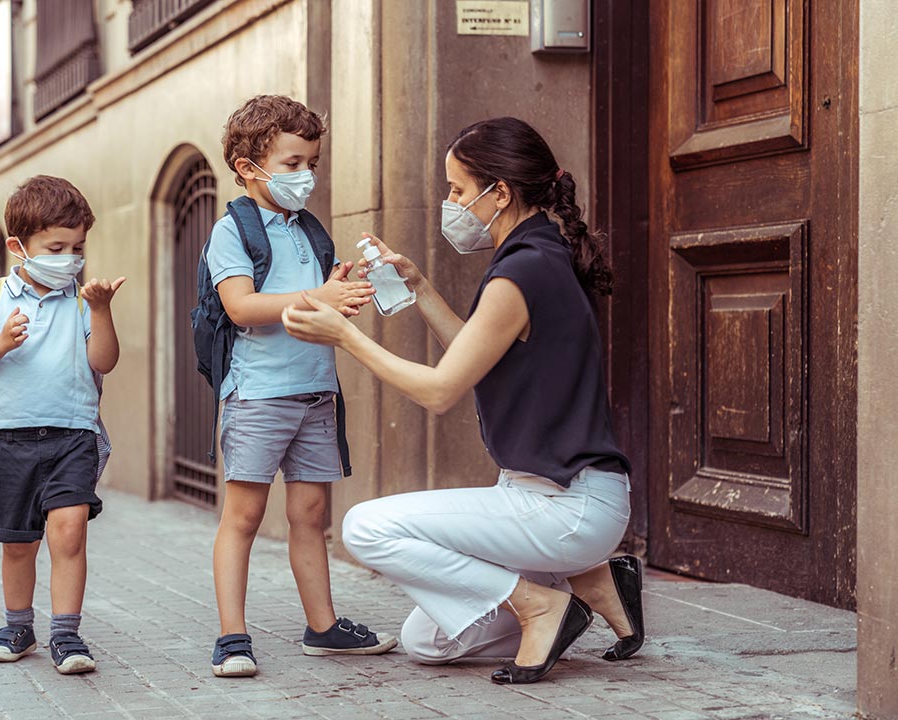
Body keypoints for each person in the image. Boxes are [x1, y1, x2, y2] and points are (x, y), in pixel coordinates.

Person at [281, 117, 646, 684]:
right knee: (428, 642)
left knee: (365, 528)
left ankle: (541, 603)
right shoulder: (539, 254)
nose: (450, 203)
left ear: (499, 192)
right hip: (554, 501)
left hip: (565, 505)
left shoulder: (521, 272)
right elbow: (475, 356)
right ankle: (587, 580)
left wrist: (344, 337)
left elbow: (441, 389)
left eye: (456, 189)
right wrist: (421, 288)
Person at [204, 95, 397, 678]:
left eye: (311, 161)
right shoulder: (231, 231)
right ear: (248, 167)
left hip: (316, 391)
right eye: (291, 163)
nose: (304, 175)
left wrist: (338, 287)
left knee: (310, 514)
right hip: (259, 393)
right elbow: (241, 306)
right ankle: (232, 638)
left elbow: (312, 308)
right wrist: (319, 296)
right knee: (242, 516)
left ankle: (323, 627)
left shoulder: (309, 229)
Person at [0, 175, 125, 675]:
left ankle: (66, 634)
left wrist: (101, 310)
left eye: (77, 247)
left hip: (74, 434)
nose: (69, 257)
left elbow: (105, 360)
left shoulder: (81, 299)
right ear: (18, 246)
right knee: (18, 541)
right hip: (10, 436)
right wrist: (0, 343)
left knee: (69, 532)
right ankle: (17, 625)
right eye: (56, 247)